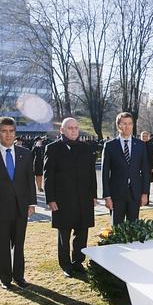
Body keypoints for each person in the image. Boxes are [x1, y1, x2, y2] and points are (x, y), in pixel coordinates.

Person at [0, 116, 36, 290]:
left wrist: (32, 203)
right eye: (4, 131)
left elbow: (29, 180)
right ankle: (5, 279)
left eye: (11, 131)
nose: (8, 135)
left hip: (21, 208)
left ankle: (19, 276)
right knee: (2, 245)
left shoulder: (25, 153)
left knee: (19, 245)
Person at [44, 117, 97, 278]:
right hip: (62, 200)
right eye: (70, 128)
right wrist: (50, 199)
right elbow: (48, 176)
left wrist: (93, 195)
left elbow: (91, 174)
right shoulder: (52, 149)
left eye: (76, 128)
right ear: (62, 130)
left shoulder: (86, 148)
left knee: (82, 232)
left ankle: (78, 262)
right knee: (64, 235)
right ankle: (66, 265)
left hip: (83, 199)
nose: (74, 130)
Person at [102, 113, 150, 224]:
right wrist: (107, 196)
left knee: (133, 228)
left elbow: (145, 171)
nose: (127, 127)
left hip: (135, 193)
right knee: (117, 228)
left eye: (130, 124)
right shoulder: (110, 146)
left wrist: (145, 193)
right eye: (124, 124)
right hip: (116, 194)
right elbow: (105, 173)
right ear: (118, 125)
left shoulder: (140, 145)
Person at [140, 131, 153, 195]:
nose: (144, 138)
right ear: (140, 137)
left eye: (146, 136)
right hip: (139, 168)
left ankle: (147, 199)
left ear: (148, 137)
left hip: (148, 168)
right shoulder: (137, 145)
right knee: (139, 184)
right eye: (143, 136)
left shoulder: (151, 145)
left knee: (147, 184)